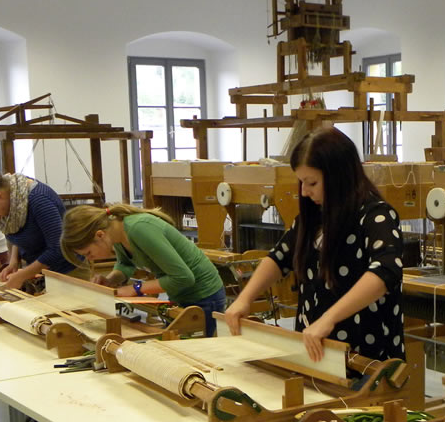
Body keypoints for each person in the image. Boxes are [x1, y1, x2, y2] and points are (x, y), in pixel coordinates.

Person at [223, 127, 405, 363]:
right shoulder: (314, 218)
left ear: (339, 176)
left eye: (312, 183)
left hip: (365, 357)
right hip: (316, 351)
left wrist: (329, 319)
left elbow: (385, 271)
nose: (304, 192)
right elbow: (279, 257)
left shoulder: (376, 216)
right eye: (301, 182)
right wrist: (244, 299)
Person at [60, 204, 227, 336]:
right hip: (181, 296)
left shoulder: (139, 229)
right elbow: (125, 264)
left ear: (100, 235)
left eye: (88, 253)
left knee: (190, 355)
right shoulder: (116, 233)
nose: (89, 258)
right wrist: (110, 280)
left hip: (204, 295)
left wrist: (135, 289)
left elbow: (183, 277)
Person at [0, 169, 76, 290]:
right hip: (44, 272)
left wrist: (23, 275)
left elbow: (57, 248)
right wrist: (13, 261)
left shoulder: (38, 199)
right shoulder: (13, 203)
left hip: (68, 272)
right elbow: (17, 229)